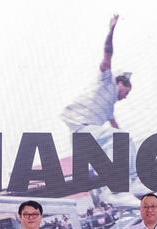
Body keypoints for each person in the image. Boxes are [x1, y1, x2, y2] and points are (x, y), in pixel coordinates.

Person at [61, 14, 132, 143]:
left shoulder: (109, 107)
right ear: (120, 83)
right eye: (126, 92)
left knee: (120, 138)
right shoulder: (107, 81)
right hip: (82, 127)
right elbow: (107, 54)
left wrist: (123, 135)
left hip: (82, 135)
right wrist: (111, 30)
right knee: (121, 138)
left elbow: (114, 124)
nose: (125, 97)